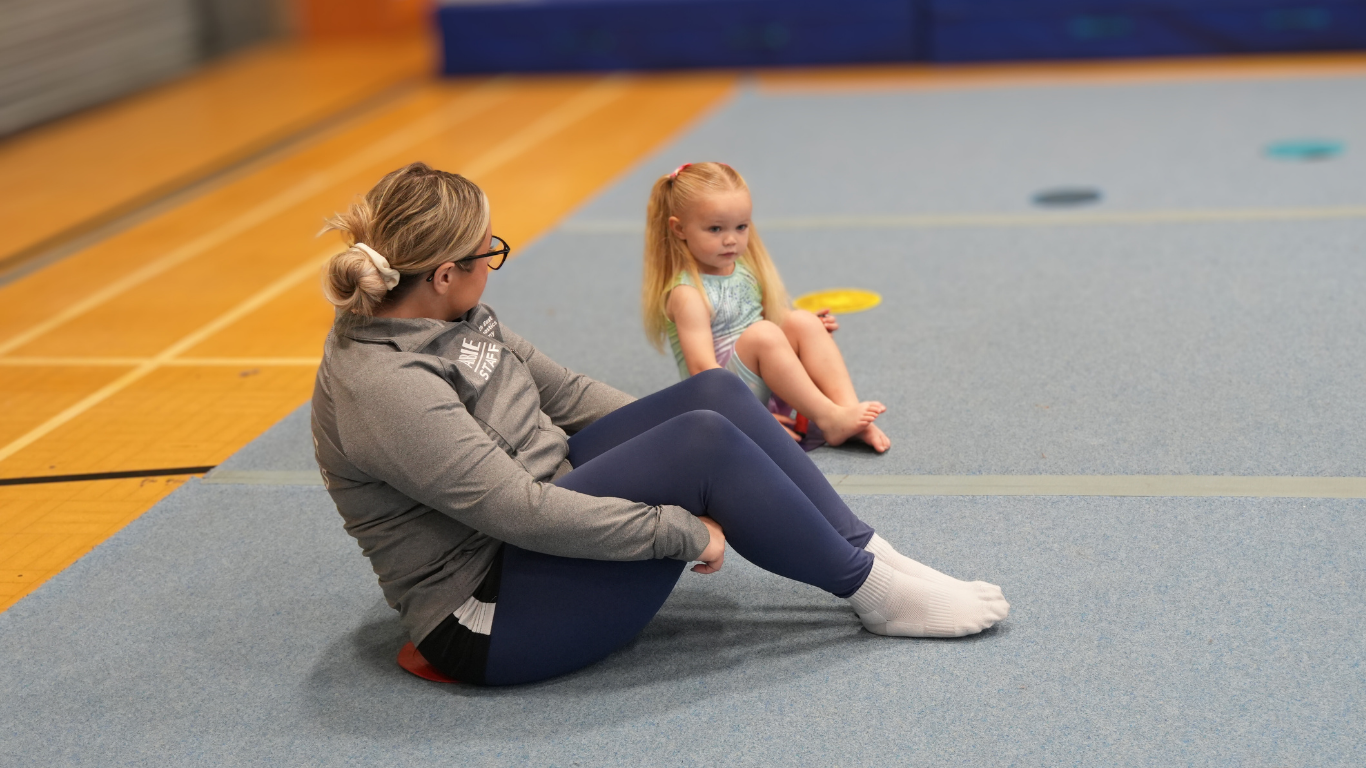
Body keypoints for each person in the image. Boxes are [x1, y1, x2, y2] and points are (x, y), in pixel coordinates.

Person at [312, 162, 1008, 687]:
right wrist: (680, 527)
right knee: (702, 442)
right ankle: (876, 597)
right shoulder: (386, 386)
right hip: (493, 614)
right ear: (440, 273)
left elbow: (571, 394)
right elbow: (517, 512)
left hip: (548, 509)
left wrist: (703, 438)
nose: (494, 264)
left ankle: (875, 558)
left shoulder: (452, 315)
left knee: (712, 399)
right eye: (487, 254)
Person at [642, 161, 892, 452]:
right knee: (765, 333)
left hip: (757, 375)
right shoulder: (688, 293)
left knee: (800, 321)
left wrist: (808, 331)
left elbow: (760, 321)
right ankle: (829, 417)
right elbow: (704, 372)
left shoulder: (742, 270)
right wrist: (752, 419)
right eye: (714, 228)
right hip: (723, 399)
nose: (730, 239)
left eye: (741, 226)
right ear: (680, 229)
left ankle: (846, 412)